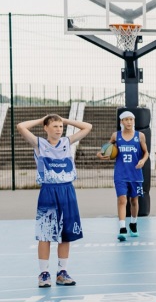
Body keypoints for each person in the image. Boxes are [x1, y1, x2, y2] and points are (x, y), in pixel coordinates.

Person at [17, 113, 92, 287]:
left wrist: (64, 120)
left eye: (60, 126)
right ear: (46, 128)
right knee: (45, 234)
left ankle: (62, 272)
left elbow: (87, 126)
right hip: (49, 191)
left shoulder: (67, 141)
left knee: (65, 235)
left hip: (67, 190)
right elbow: (21, 126)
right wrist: (43, 118)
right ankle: (44, 274)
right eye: (55, 126)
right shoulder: (39, 144)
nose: (59, 129)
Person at [98, 110, 148, 242]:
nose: (129, 122)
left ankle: (133, 223)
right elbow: (107, 150)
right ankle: (122, 228)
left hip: (135, 174)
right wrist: (101, 155)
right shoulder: (116, 136)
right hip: (120, 173)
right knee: (122, 200)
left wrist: (143, 160)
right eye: (126, 119)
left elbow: (146, 153)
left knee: (134, 201)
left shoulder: (140, 136)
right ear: (121, 122)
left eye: (131, 119)